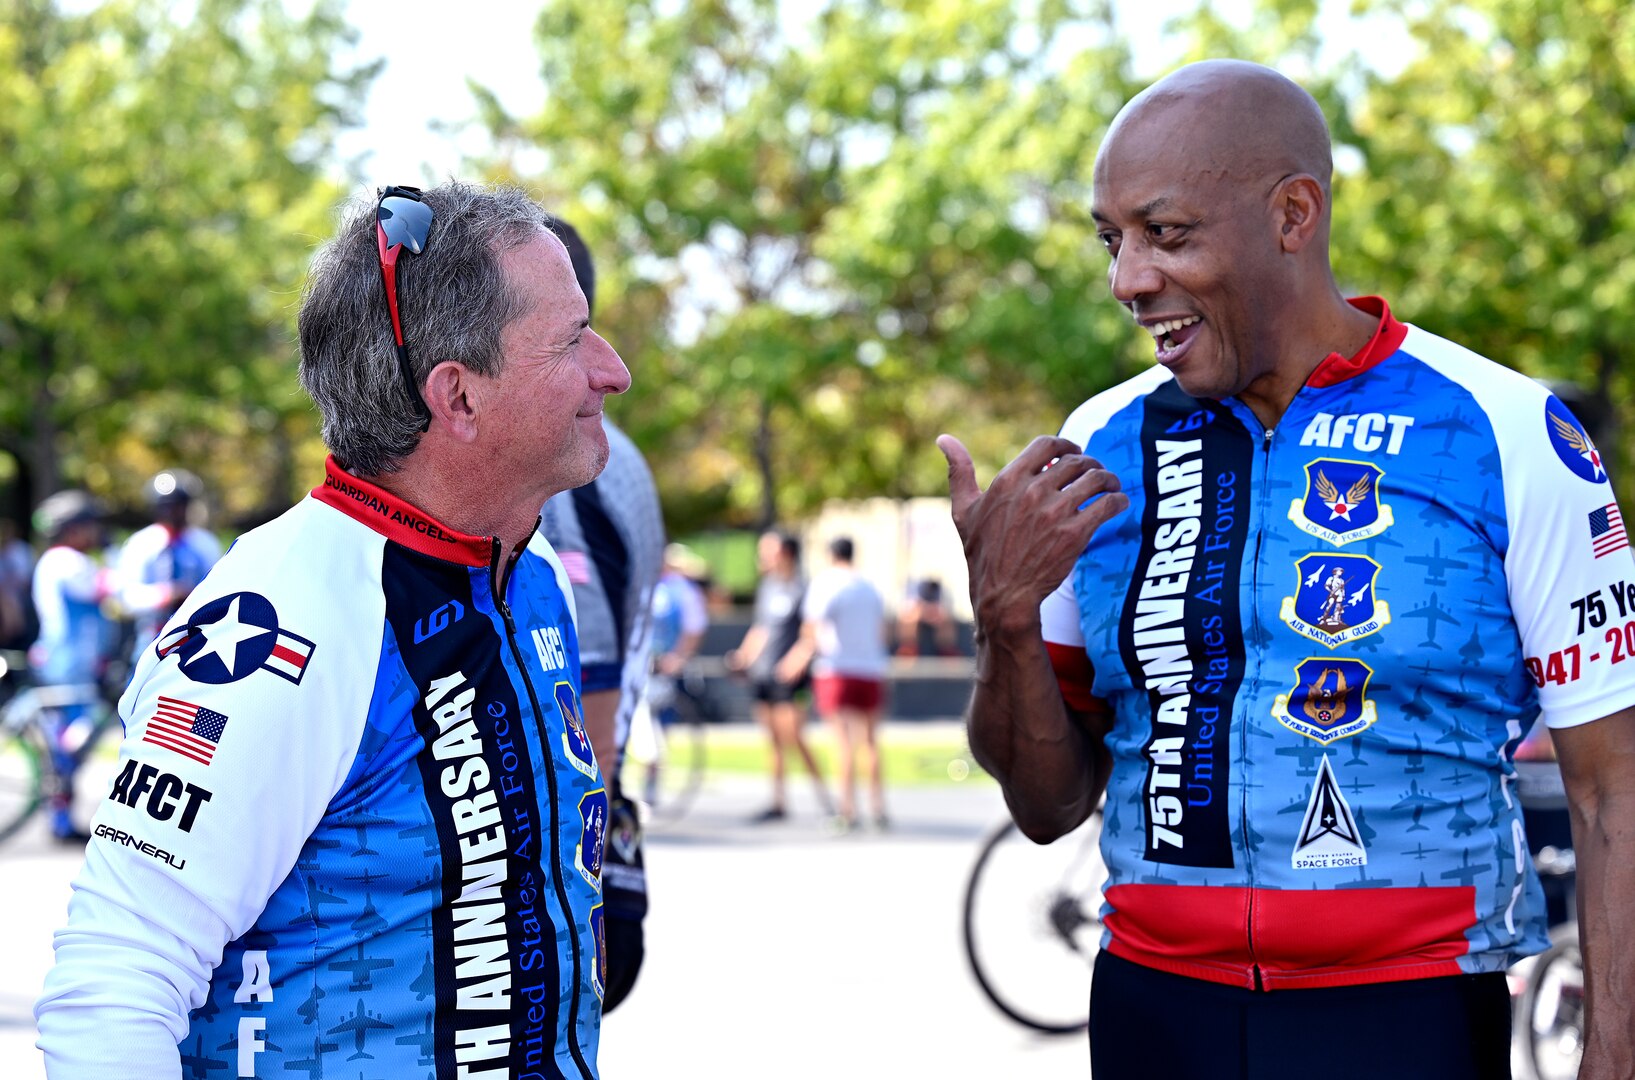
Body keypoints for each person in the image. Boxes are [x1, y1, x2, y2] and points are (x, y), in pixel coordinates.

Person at [939, 60, 1635, 1080]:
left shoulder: (1505, 429)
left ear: (1293, 215)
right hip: (1153, 1011)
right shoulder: (1102, 441)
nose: (1128, 279)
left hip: (1409, 1015)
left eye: (1165, 234)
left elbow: (1614, 784)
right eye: (1111, 240)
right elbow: (1046, 809)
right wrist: (1002, 622)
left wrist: (1613, 1054)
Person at [35, 181, 631, 1078]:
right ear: (457, 397)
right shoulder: (284, 614)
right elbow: (116, 980)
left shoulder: (530, 572)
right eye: (570, 339)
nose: (612, 369)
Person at [538, 217, 665, 1013]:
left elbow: (592, 674)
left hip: (568, 846)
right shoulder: (610, 453)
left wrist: (567, 877)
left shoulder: (574, 465)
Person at [779, 536, 889, 830]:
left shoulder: (826, 583)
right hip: (870, 668)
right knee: (869, 742)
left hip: (837, 669)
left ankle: (847, 809)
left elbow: (812, 629)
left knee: (842, 742)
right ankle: (878, 808)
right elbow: (881, 631)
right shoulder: (869, 587)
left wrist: (796, 660)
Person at [725, 530, 832, 822]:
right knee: (773, 740)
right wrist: (743, 656)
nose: (762, 557)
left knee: (795, 737)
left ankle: (827, 800)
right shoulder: (769, 588)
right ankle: (778, 801)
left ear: (784, 553)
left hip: (791, 678)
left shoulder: (804, 589)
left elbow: (812, 634)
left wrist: (796, 660)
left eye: (767, 551)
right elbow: (761, 629)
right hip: (764, 675)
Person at [27, 490, 115, 842]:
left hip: (68, 660)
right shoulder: (66, 561)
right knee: (74, 736)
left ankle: (60, 814)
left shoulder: (54, 560)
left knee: (71, 736)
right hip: (69, 663)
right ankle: (59, 818)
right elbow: (105, 588)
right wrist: (111, 554)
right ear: (72, 529)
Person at [116, 469, 223, 657]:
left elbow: (220, 587)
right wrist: (166, 594)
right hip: (153, 634)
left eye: (179, 505)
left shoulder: (205, 543)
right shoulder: (141, 543)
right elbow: (127, 596)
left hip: (199, 634)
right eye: (166, 506)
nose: (173, 512)